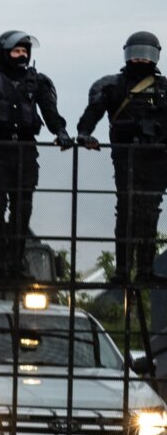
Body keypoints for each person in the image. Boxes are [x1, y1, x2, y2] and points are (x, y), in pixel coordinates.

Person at [0, 31, 73, 281]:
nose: (22, 55)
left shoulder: (39, 82)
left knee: (23, 208)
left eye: (25, 51)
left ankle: (15, 263)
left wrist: (61, 132)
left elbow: (49, 111)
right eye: (16, 51)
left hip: (25, 149)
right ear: (4, 53)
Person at [77, 32, 167, 299]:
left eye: (146, 53)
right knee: (126, 209)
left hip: (157, 159)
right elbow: (91, 114)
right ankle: (122, 269)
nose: (140, 58)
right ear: (127, 53)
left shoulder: (164, 89)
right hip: (126, 157)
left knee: (150, 212)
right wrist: (84, 134)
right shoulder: (113, 85)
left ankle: (145, 269)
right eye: (136, 52)